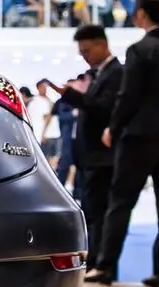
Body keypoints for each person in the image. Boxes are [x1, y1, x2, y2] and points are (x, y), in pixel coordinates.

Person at [88, 0, 159, 287]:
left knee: (121, 201)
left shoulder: (139, 49)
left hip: (141, 134)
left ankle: (105, 266)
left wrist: (113, 127)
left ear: (141, 14)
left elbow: (129, 96)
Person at [42, 25, 122, 265]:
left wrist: (71, 95)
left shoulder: (116, 73)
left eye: (87, 51)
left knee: (99, 212)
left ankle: (100, 262)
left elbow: (103, 109)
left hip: (102, 155)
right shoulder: (97, 75)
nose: (84, 57)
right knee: (91, 210)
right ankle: (94, 260)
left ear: (102, 44)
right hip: (89, 155)